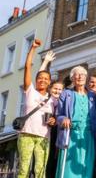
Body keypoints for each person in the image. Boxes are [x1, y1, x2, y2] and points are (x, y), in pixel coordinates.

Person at [17, 39, 57, 178]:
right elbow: (28, 66)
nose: (43, 80)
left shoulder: (53, 99)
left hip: (43, 137)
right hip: (26, 134)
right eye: (40, 77)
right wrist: (32, 48)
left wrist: (53, 120)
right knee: (23, 169)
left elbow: (56, 117)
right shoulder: (30, 91)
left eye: (46, 78)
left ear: (49, 82)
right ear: (36, 80)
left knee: (40, 170)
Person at [56, 66, 96, 178]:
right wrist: (63, 119)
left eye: (83, 74)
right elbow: (58, 115)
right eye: (77, 74)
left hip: (88, 135)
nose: (80, 76)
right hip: (71, 135)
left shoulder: (93, 96)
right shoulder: (66, 93)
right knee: (68, 168)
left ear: (86, 77)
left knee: (86, 165)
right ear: (72, 78)